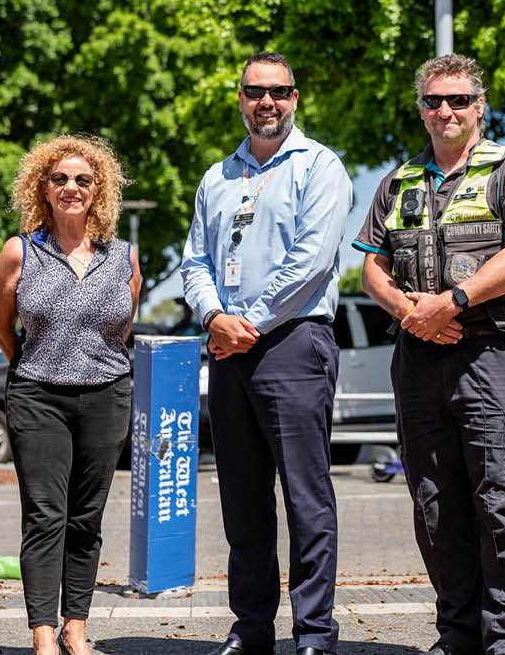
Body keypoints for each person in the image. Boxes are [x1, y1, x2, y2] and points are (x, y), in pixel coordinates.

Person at [354, 54, 505, 655]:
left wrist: (452, 302)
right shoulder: (398, 180)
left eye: (458, 100)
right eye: (434, 101)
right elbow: (371, 269)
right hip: (417, 359)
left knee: (500, 500)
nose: (446, 111)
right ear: (421, 109)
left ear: (480, 107)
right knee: (435, 503)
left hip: (490, 354)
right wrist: (410, 312)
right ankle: (459, 634)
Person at [180, 52, 351, 655]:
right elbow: (194, 261)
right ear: (241, 98)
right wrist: (214, 317)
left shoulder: (320, 166)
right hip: (229, 350)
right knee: (243, 499)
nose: (267, 102)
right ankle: (252, 627)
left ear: (295, 97)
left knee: (306, 497)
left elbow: (311, 261)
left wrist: (245, 322)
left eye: (278, 91)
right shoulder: (216, 176)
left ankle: (314, 633)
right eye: (255, 92)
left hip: (294, 344)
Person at [0, 135, 137, 655]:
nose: (71, 187)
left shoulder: (123, 256)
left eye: (83, 180)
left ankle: (76, 627)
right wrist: (39, 367)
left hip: (106, 395)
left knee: (86, 517)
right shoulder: (20, 251)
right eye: (60, 179)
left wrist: (96, 367)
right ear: (42, 188)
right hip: (37, 397)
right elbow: (4, 329)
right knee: (45, 513)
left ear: (99, 191)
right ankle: (44, 634)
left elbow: (121, 327)